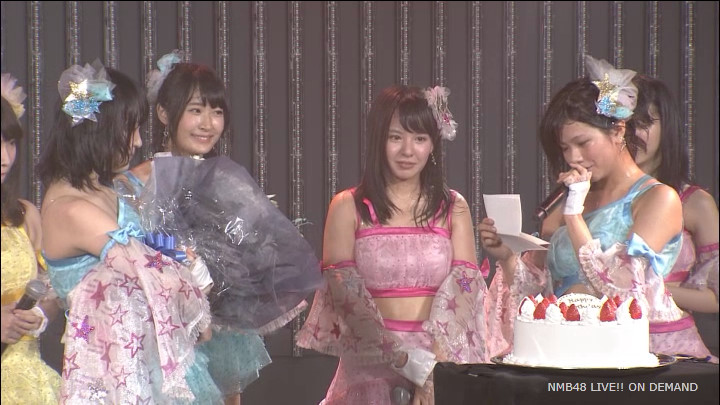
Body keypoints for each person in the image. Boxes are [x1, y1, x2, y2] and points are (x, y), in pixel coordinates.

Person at [480, 55, 714, 361]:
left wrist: (574, 216)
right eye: (565, 148)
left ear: (618, 131)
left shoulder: (659, 198)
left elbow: (624, 290)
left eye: (583, 143)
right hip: (569, 350)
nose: (573, 157)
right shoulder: (572, 199)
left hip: (642, 357)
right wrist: (507, 256)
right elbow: (539, 297)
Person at [124, 51, 305, 405]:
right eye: (196, 110)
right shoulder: (133, 185)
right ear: (164, 114)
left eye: (217, 111)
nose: (207, 123)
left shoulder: (225, 183)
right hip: (158, 341)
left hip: (218, 336)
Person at [38, 60, 216, 403]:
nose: (137, 142)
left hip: (139, 360)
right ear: (100, 130)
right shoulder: (70, 209)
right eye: (130, 129)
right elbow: (149, 271)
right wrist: (189, 277)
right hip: (111, 375)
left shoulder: (103, 190)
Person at [298, 85, 488, 405]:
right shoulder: (347, 206)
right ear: (378, 140)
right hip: (369, 370)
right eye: (396, 137)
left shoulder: (453, 206)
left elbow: (465, 287)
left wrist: (432, 370)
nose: (407, 151)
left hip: (439, 366)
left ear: (433, 144)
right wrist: (403, 360)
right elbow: (345, 294)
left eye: (420, 139)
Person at [633, 74, 719, 355]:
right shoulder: (595, 199)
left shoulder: (695, 203)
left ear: (667, 125)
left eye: (644, 123)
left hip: (672, 345)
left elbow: (716, 297)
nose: (633, 134)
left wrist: (650, 289)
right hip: (603, 341)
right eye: (625, 125)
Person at [1, 74, 61, 404]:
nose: (5, 158)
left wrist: (40, 315)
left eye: (10, 143)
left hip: (29, 382)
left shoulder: (25, 215)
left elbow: (50, 289)